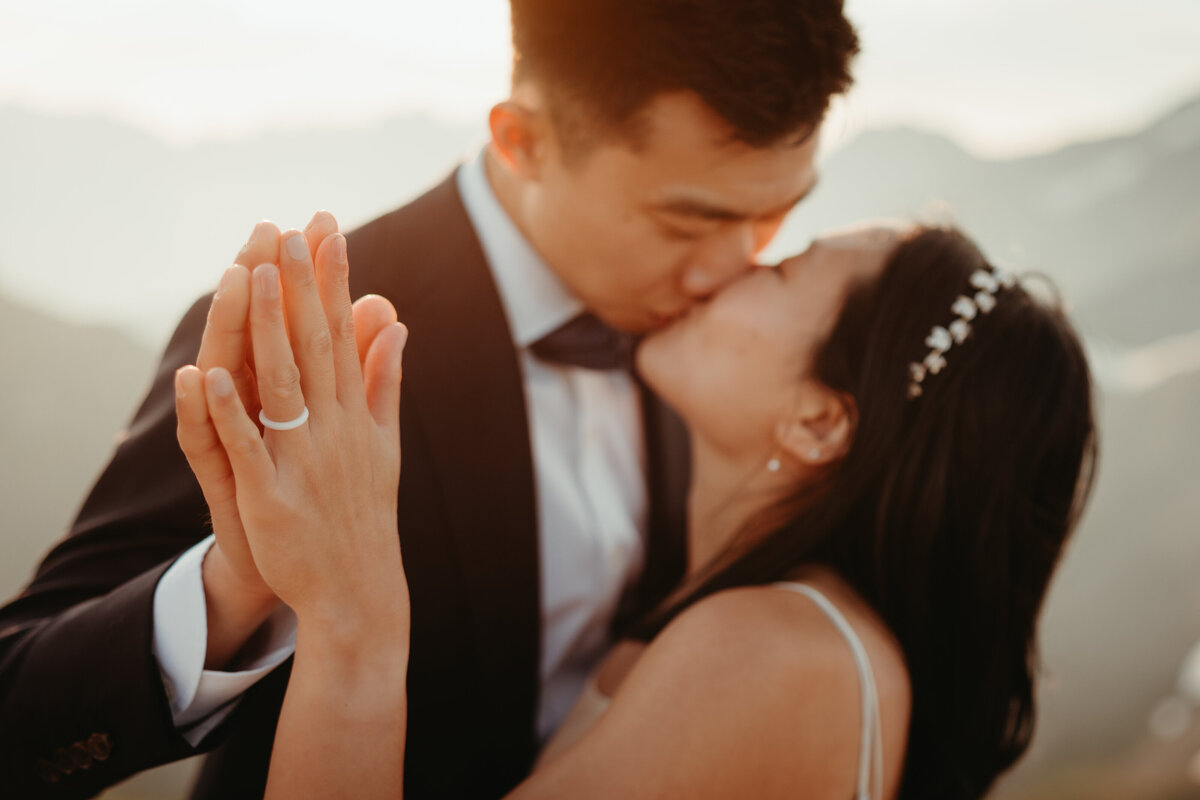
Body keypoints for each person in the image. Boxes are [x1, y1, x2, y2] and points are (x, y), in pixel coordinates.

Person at [0, 1, 860, 797]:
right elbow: (20, 699)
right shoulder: (310, 343)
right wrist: (239, 585)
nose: (733, 270)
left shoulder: (732, 355)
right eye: (685, 224)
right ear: (523, 140)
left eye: (774, 217)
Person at [181, 221, 1098, 798]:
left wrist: (352, 609)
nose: (730, 267)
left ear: (821, 420)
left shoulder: (776, 652)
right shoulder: (780, 625)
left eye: (781, 271)